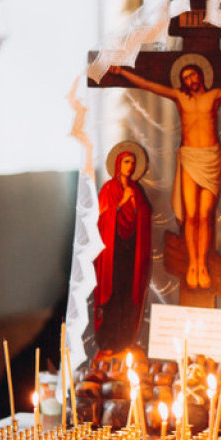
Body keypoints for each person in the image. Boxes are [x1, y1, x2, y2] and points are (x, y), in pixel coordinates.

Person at [108, 57, 221, 290]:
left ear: (201, 75)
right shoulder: (180, 98)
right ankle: (194, 264)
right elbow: (149, 85)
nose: (190, 79)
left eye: (193, 75)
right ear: (183, 81)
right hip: (189, 157)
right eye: (185, 77)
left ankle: (203, 264)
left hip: (210, 158)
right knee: (191, 215)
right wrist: (123, 73)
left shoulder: (214, 95)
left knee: (205, 214)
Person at [93, 143, 153, 351]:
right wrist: (120, 205)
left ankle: (126, 339)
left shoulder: (136, 190)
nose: (130, 166)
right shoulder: (109, 188)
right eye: (127, 162)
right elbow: (101, 218)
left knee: (127, 294)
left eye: (133, 163)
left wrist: (137, 207)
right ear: (119, 164)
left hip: (130, 249)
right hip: (113, 249)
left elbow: (145, 215)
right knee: (113, 293)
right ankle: (107, 340)